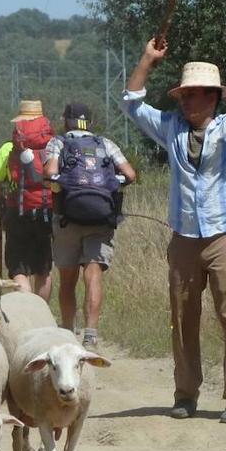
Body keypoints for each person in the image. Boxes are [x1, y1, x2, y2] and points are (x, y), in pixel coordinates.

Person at [124, 29, 226, 424]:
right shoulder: (170, 127)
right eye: (184, 94)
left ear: (212, 97)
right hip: (183, 236)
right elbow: (131, 102)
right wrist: (147, 61)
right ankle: (185, 393)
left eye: (193, 93)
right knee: (182, 315)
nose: (185, 99)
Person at [42, 103, 137, 349]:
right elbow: (130, 174)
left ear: (66, 121)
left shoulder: (58, 143)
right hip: (101, 219)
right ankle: (91, 334)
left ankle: (67, 330)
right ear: (90, 123)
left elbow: (50, 173)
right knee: (93, 275)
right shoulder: (105, 144)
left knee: (68, 278)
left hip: (67, 219)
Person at [0, 100, 55, 300]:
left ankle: (27, 312)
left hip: (17, 212)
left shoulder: (8, 148)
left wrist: (2, 203)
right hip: (45, 211)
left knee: (19, 268)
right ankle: (42, 315)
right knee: (43, 269)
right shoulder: (53, 146)